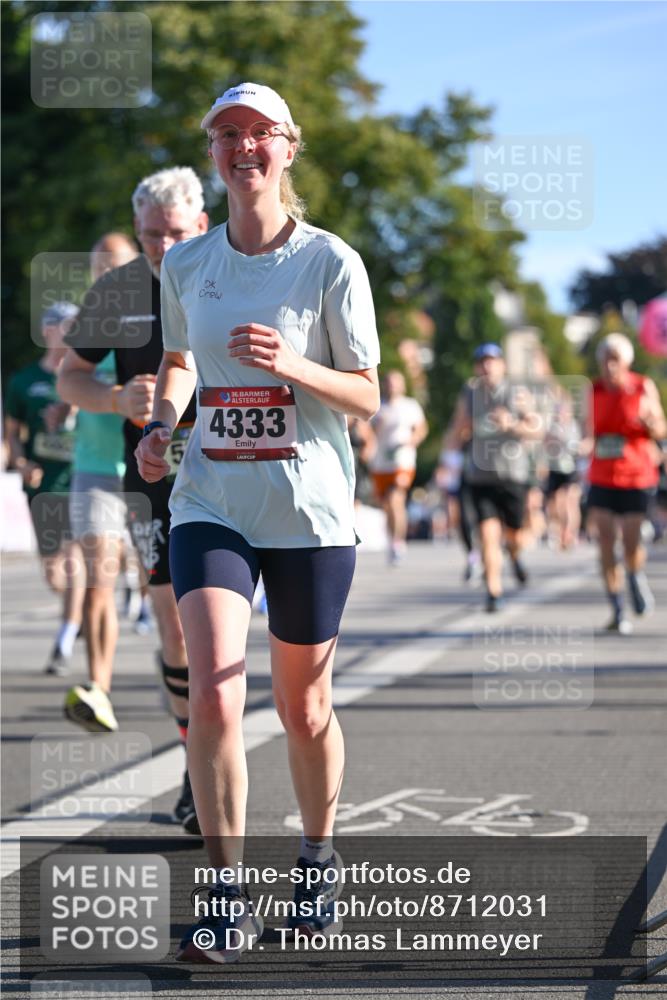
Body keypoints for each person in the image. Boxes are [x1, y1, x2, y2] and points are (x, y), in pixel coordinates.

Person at [135, 82, 380, 963]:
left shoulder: (328, 262)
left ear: (288, 147)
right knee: (212, 694)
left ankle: (317, 863)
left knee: (304, 706)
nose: (243, 148)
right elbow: (175, 361)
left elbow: (368, 393)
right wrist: (163, 425)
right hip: (212, 502)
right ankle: (224, 894)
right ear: (214, 153)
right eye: (227, 135)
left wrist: (297, 368)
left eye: (259, 134)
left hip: (308, 509)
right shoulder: (186, 264)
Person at [57, 168, 208, 831]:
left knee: (219, 631)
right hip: (152, 479)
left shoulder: (232, 276)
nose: (164, 248)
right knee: (175, 628)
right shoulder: (116, 291)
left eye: (176, 234)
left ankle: (212, 757)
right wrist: (117, 399)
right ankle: (194, 763)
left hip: (234, 476)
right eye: (152, 236)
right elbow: (72, 377)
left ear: (202, 225)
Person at [63, 234, 139, 733]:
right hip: (96, 471)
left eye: (114, 266)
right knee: (98, 585)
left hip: (155, 468)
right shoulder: (87, 325)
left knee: (174, 594)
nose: (105, 275)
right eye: (98, 266)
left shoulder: (157, 320)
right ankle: (100, 688)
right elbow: (68, 381)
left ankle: (197, 697)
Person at [5, 302, 86, 673]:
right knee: (53, 572)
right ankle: (78, 607)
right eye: (63, 326)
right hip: (42, 485)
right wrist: (21, 463)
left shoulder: (86, 376)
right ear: (48, 331)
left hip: (81, 479)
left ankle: (65, 640)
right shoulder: (23, 381)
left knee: (74, 562)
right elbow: (13, 435)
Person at [448, 343, 542, 612]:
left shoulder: (517, 393)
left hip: (513, 475)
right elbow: (457, 430)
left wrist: (511, 424)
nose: (487, 367)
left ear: (502, 365)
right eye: (482, 362)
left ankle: (515, 557)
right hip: (481, 476)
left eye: (492, 361)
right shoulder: (469, 393)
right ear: (477, 367)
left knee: (514, 536)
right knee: (488, 536)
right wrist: (462, 433)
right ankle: (493, 592)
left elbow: (536, 427)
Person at [585, 333, 666, 633]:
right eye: (605, 359)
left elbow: (660, 427)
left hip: (637, 474)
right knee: (606, 540)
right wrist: (581, 443)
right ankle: (617, 607)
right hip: (602, 476)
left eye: (615, 359)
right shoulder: (591, 390)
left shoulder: (642, 387)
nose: (609, 366)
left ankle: (634, 573)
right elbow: (585, 430)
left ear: (626, 362)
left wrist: (651, 423)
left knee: (631, 542)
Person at [369, 370, 428, 564]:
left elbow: (421, 428)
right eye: (389, 382)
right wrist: (377, 426)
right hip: (381, 462)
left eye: (396, 382)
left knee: (396, 499)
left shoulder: (410, 405)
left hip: (402, 460)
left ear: (402, 385)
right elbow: (369, 433)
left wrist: (412, 441)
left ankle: (398, 542)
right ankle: (392, 540)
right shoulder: (378, 406)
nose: (392, 385)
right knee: (387, 506)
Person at [543, 391, 582, 550]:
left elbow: (577, 447)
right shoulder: (552, 426)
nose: (561, 413)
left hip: (570, 469)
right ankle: (560, 532)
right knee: (554, 504)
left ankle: (569, 533)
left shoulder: (573, 426)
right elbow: (545, 446)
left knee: (569, 502)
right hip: (555, 468)